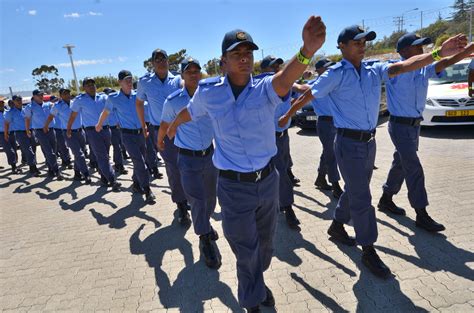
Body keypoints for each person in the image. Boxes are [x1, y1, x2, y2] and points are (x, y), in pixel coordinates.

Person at [279, 26, 467, 278]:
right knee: (362, 197)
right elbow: (310, 94)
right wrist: (288, 115)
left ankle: (336, 225)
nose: (362, 45)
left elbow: (402, 66)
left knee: (356, 189)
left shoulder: (373, 69)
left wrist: (436, 54)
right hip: (347, 143)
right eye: (356, 42)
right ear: (342, 46)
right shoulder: (335, 74)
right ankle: (368, 248)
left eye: (364, 41)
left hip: (369, 142)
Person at [166, 17, 327, 311]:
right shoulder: (210, 92)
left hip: (267, 183)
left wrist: (306, 51)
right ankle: (251, 300)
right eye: (236, 54)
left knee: (264, 248)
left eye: (248, 54)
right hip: (232, 186)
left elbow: (285, 78)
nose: (244, 59)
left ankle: (257, 280)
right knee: (245, 249)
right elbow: (191, 111)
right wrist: (174, 125)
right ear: (223, 62)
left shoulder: (265, 89)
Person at [378, 33, 474, 232]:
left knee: (401, 163)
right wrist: (438, 53)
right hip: (399, 126)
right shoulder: (395, 69)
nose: (422, 49)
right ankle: (421, 213)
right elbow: (414, 63)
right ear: (404, 51)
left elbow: (446, 62)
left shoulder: (423, 69)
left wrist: (467, 51)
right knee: (413, 167)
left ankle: (386, 198)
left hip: (414, 126)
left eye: (423, 46)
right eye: (417, 46)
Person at [158, 58, 221, 268]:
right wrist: (159, 140)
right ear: (182, 76)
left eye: (197, 70)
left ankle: (205, 223)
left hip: (210, 156)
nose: (194, 74)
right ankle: (204, 239)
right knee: (196, 199)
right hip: (187, 157)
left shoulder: (210, 94)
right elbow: (165, 124)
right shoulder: (173, 100)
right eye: (189, 71)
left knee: (211, 198)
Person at [136, 49, 189, 221]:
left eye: (163, 58)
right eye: (157, 59)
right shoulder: (144, 82)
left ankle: (187, 196)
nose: (161, 61)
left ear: (168, 61)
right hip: (160, 131)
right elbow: (139, 104)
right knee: (173, 167)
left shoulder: (177, 80)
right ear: (152, 63)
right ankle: (181, 204)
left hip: (181, 129)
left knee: (186, 165)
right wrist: (143, 124)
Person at [254, 55, 301, 229]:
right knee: (278, 174)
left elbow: (299, 90)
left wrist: (291, 111)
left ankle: (280, 204)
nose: (276, 69)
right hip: (267, 138)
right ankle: (287, 208)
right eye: (272, 66)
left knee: (283, 170)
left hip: (282, 135)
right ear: (263, 70)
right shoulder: (260, 84)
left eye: (278, 66)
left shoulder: (284, 83)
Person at [96, 70, 156, 204]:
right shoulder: (113, 98)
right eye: (126, 80)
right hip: (127, 135)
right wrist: (99, 124)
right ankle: (147, 190)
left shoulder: (138, 96)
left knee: (140, 161)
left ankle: (136, 183)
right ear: (119, 82)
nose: (129, 83)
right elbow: (105, 112)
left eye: (130, 79)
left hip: (140, 133)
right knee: (139, 161)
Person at [67, 77, 121, 191]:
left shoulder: (103, 97)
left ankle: (103, 178)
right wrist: (69, 128)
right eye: (88, 85)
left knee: (104, 154)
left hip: (106, 130)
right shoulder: (80, 100)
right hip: (92, 132)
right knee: (102, 156)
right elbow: (73, 115)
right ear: (84, 87)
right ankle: (112, 180)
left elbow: (113, 109)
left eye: (93, 84)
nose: (91, 86)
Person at [310, 59, 343, 199]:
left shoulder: (333, 82)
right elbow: (296, 95)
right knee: (331, 154)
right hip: (325, 123)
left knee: (328, 152)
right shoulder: (313, 85)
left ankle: (321, 178)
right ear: (318, 70)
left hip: (337, 122)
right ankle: (335, 185)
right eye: (327, 67)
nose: (331, 69)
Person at [44, 88, 91, 184]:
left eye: (68, 93)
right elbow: (50, 116)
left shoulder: (75, 102)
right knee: (79, 154)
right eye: (64, 93)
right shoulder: (57, 106)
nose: (67, 95)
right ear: (61, 96)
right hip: (68, 133)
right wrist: (46, 126)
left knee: (80, 152)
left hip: (80, 131)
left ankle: (77, 173)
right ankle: (86, 174)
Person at [24, 90, 63, 180]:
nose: (41, 96)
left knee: (53, 149)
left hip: (51, 129)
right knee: (49, 151)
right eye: (39, 95)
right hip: (39, 131)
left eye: (42, 94)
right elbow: (27, 119)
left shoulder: (48, 104)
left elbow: (56, 108)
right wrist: (27, 130)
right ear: (34, 96)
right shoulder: (29, 107)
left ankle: (50, 168)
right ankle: (56, 170)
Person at [4, 95, 39, 176]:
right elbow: (6, 124)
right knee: (28, 149)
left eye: (20, 99)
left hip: (30, 131)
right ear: (13, 102)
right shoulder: (10, 112)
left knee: (33, 148)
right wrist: (6, 134)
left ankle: (31, 166)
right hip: (20, 133)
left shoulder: (25, 110)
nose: (19, 101)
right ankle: (33, 167)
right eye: (17, 100)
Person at [0, 99, 20, 174]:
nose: (1, 104)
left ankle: (15, 164)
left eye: (2, 103)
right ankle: (13, 166)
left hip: (12, 132)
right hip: (2, 133)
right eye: (0, 103)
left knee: (14, 149)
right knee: (9, 150)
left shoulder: (8, 112)